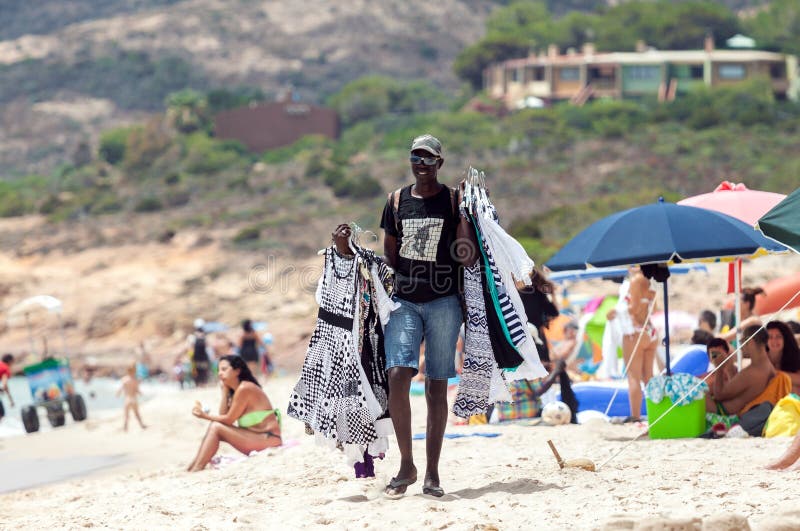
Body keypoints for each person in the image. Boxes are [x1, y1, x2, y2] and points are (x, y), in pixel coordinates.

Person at [342, 133, 476, 499]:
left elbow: (467, 256)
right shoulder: (397, 200)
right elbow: (391, 252)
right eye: (416, 158)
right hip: (405, 301)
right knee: (398, 374)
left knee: (435, 385)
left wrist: (463, 211)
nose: (421, 164)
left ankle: (432, 472)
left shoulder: (451, 200)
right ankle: (407, 464)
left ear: (439, 164)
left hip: (445, 301)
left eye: (429, 159)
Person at [187, 355, 281, 472]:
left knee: (215, 427)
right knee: (215, 426)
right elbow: (223, 415)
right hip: (256, 437)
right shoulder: (236, 391)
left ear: (237, 371)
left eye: (224, 369)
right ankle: (193, 467)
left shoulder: (245, 388)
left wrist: (204, 416)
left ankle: (197, 468)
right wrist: (224, 392)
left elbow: (228, 420)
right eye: (219, 370)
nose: (220, 373)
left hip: (269, 439)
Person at [617, 265, 658, 422]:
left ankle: (635, 416)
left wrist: (618, 310)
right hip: (650, 330)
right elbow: (653, 309)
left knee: (633, 377)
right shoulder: (650, 281)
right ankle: (655, 413)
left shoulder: (635, 281)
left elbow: (633, 309)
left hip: (635, 331)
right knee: (648, 376)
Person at [705, 326, 774, 416]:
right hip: (731, 411)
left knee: (696, 389)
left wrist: (719, 367)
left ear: (751, 342)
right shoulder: (766, 366)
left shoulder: (751, 373)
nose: (740, 347)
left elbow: (719, 395)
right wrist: (729, 367)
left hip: (723, 414)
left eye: (742, 341)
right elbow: (736, 389)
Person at [766, 321, 800, 394]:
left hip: (791, 397)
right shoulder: (762, 357)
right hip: (769, 397)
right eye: (770, 337)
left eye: (778, 336)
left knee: (793, 387)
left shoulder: (794, 355)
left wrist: (775, 373)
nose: (774, 340)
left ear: (785, 339)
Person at [117, 363, 146, 431]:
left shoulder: (124, 379)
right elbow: (137, 390)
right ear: (134, 371)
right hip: (134, 399)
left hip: (127, 399)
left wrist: (118, 394)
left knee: (126, 415)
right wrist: (141, 393)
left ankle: (125, 427)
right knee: (137, 413)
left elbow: (121, 388)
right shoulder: (135, 380)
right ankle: (141, 425)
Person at [190, 319, 212, 386]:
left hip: (202, 356)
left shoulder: (204, 337)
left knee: (204, 369)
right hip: (197, 356)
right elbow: (192, 347)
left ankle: (203, 383)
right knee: (198, 370)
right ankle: (199, 383)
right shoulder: (193, 337)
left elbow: (207, 346)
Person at [0, 354, 15, 420]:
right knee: (1, 413)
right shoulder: (5, 368)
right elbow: (5, 383)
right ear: (10, 361)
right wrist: (11, 400)